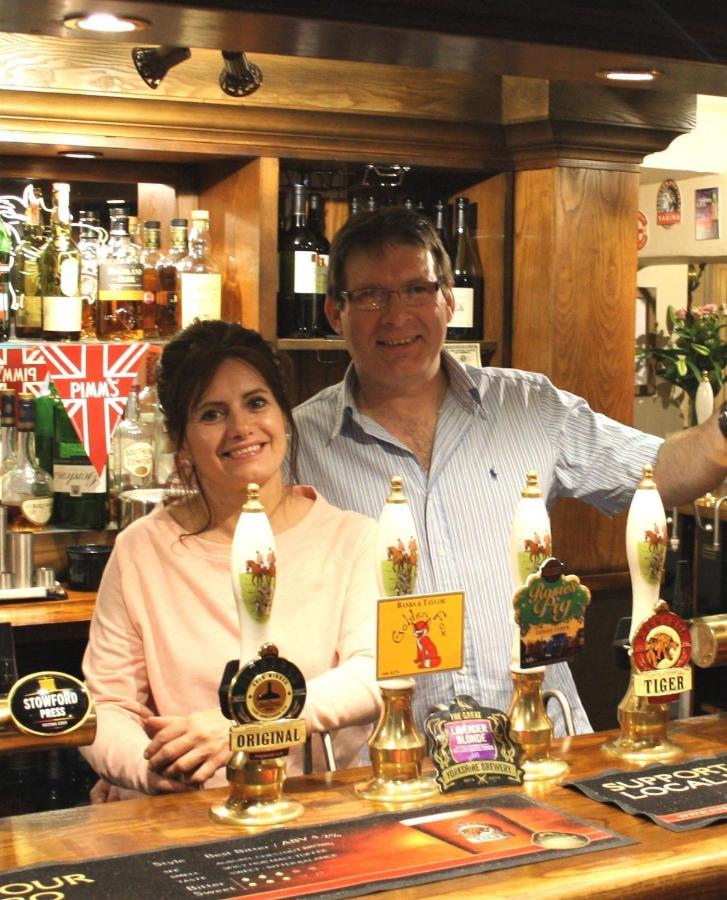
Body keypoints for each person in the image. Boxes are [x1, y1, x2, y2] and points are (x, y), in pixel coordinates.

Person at [292, 206, 727, 734]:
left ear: (449, 301)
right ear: (336, 313)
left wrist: (722, 427)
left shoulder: (530, 406)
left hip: (538, 741)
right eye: (370, 296)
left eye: (416, 290)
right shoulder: (299, 444)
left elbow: (659, 473)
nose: (395, 314)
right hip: (389, 759)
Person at [81, 320, 381, 798]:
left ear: (285, 415)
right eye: (212, 414)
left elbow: (373, 675)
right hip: (178, 813)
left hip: (311, 806)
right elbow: (106, 704)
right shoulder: (142, 549)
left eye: (256, 403)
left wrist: (244, 726)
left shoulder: (352, 539)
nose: (242, 428)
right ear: (181, 442)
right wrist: (148, 770)